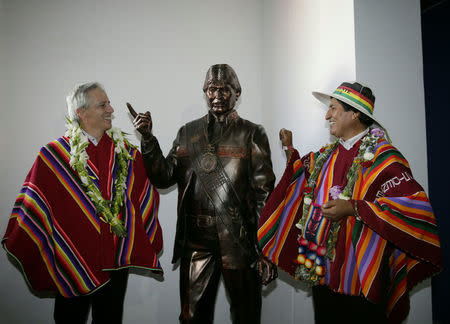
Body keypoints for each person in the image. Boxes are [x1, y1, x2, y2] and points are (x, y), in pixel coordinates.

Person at [257, 82, 442, 324]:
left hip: (362, 277)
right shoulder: (326, 156)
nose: (327, 115)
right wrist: (290, 149)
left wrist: (354, 208)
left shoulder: (384, 158)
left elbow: (415, 207)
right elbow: (301, 177)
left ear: (354, 113)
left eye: (333, 108)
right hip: (322, 274)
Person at [2, 82, 163, 324]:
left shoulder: (127, 154)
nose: (111, 109)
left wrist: (148, 139)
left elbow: (146, 192)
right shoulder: (53, 156)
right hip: (70, 262)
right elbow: (34, 205)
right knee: (69, 319)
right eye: (103, 104)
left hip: (115, 263)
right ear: (81, 112)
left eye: (108, 103)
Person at [128, 64, 278, 323]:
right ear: (204, 92)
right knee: (192, 317)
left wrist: (266, 248)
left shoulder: (252, 133)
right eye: (211, 89)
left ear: (237, 92)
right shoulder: (188, 133)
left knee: (246, 315)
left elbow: (265, 195)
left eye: (224, 89)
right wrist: (148, 139)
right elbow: (163, 177)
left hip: (239, 242)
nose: (217, 95)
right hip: (196, 242)